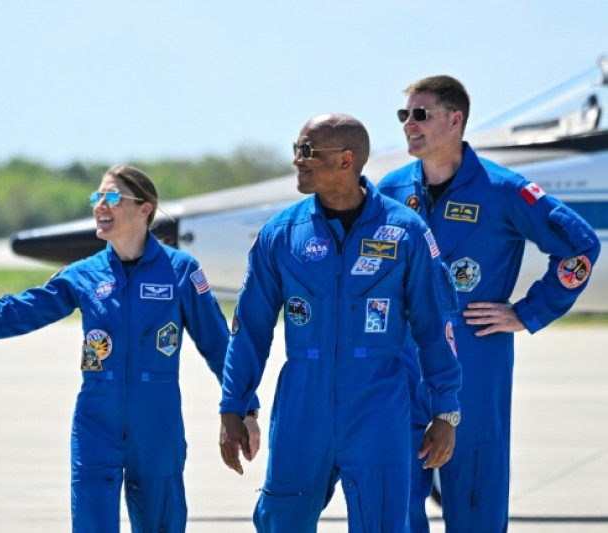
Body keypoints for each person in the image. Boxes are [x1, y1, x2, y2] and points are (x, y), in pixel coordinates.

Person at [0, 164, 260, 533]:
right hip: (96, 423)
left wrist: (245, 409)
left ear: (145, 209)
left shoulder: (181, 271)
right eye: (97, 198)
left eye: (112, 197)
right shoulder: (84, 273)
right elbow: (27, 308)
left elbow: (220, 347)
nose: (100, 206)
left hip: (157, 426)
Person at [218, 113, 462, 532]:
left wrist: (446, 411)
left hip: (378, 408)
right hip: (301, 409)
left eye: (308, 151)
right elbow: (250, 328)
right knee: (282, 521)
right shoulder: (281, 234)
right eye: (296, 150)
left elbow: (433, 327)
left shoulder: (405, 232)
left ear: (347, 160)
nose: (297, 160)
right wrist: (233, 406)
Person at [378, 76, 601, 533]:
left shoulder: (504, 190)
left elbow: (578, 247)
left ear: (455, 119)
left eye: (421, 115)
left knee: (476, 490)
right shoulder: (391, 190)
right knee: (393, 498)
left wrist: (528, 311)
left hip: (474, 356)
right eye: (404, 116)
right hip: (402, 359)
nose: (408, 126)